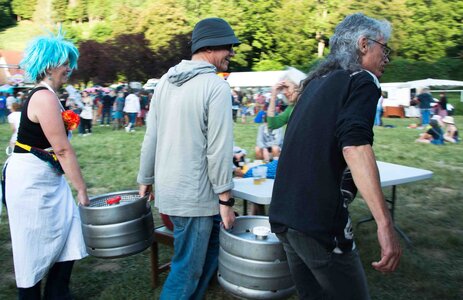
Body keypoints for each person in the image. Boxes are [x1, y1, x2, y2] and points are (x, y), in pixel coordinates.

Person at [268, 13, 402, 299]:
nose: (386, 58)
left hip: (283, 213)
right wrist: (385, 224)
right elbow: (354, 146)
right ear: (364, 44)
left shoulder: (316, 83)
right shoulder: (362, 79)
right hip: (317, 222)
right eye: (384, 48)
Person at [137, 17, 239, 300]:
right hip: (195, 198)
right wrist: (226, 202)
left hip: (171, 194)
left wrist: (145, 179)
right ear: (212, 47)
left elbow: (151, 138)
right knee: (185, 270)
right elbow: (219, 150)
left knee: (212, 245)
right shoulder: (216, 87)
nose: (232, 52)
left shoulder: (164, 83)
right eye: (229, 46)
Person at [4, 30, 89, 299]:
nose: (69, 69)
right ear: (51, 64)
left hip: (44, 176)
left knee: (70, 228)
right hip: (31, 181)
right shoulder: (43, 96)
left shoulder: (48, 95)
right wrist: (82, 189)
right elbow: (63, 149)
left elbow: (54, 138)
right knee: (32, 246)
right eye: (66, 63)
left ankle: (57, 292)